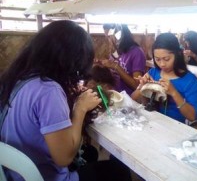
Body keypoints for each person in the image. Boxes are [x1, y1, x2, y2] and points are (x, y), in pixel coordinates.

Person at [0, 20, 132, 181]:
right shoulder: (48, 90)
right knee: (118, 170)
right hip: (44, 176)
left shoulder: (19, 78)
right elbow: (64, 158)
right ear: (70, 60)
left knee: (90, 153)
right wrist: (80, 108)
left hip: (13, 173)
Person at [131, 33, 197, 123]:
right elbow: (133, 99)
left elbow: (193, 116)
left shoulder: (190, 81)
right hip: (152, 122)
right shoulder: (154, 72)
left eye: (167, 59)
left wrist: (174, 93)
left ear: (178, 54)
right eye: (157, 59)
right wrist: (142, 87)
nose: (162, 64)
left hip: (174, 127)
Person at [101, 24, 146, 95]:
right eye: (107, 37)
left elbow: (136, 86)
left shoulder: (136, 52)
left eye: (110, 37)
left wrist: (116, 67)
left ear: (120, 36)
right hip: (116, 95)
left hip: (129, 98)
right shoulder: (117, 51)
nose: (109, 40)